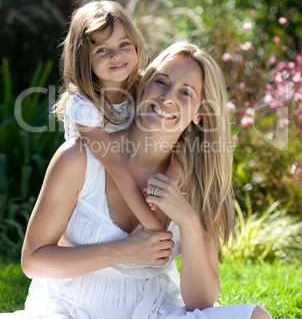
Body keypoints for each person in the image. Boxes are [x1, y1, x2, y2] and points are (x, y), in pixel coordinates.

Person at [3, 42, 272, 318]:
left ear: (200, 113)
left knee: (255, 316)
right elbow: (33, 260)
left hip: (152, 309)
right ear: (144, 87)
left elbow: (200, 301)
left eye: (185, 93)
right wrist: (123, 251)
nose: (167, 97)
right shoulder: (80, 158)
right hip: (71, 309)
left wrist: (188, 220)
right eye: (161, 83)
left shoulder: (199, 181)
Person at [52, 0, 179, 231]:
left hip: (134, 185)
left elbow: (179, 140)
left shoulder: (144, 88)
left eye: (124, 44)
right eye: (102, 50)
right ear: (83, 60)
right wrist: (152, 225)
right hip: (91, 190)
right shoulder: (83, 105)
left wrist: (167, 188)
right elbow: (115, 165)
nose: (116, 55)